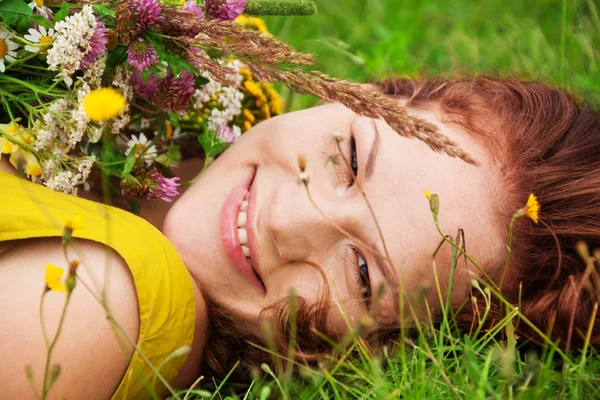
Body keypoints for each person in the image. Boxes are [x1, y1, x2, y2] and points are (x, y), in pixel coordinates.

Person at [1, 76, 599, 399]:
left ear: (374, 351)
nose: (287, 220)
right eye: (351, 158)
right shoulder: (156, 88)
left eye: (362, 273)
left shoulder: (101, 306)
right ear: (365, 93)